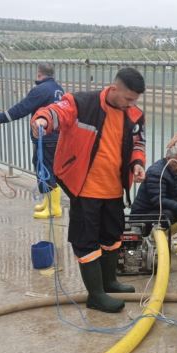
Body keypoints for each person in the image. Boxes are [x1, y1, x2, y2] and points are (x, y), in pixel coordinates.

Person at [31, 68, 147, 314]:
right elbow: (57, 111)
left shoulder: (134, 115)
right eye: (128, 98)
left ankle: (109, 282)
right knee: (86, 242)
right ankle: (95, 295)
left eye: (135, 100)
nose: (131, 104)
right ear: (114, 89)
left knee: (113, 237)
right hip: (85, 189)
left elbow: (138, 143)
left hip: (114, 189)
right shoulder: (81, 103)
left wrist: (137, 163)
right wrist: (42, 121)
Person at [0, 63, 64, 219]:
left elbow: (22, 108)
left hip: (46, 136)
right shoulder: (57, 88)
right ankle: (48, 203)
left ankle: (54, 208)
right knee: (45, 167)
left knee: (44, 169)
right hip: (56, 136)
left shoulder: (40, 90)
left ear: (39, 74)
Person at [130, 145, 177, 232]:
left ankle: (165, 238)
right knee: (166, 216)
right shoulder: (156, 172)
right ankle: (154, 239)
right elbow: (158, 201)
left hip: (161, 210)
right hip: (142, 215)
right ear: (168, 158)